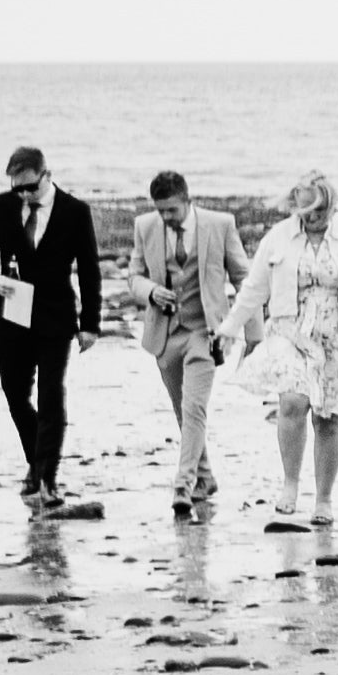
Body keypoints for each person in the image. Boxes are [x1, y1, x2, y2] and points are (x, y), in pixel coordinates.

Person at [224, 171, 338, 527]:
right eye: (303, 208)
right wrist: (229, 328)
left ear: (331, 204)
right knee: (292, 402)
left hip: (337, 336)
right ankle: (290, 485)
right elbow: (254, 289)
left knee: (328, 418)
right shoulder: (279, 238)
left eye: (317, 209)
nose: (310, 216)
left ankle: (324, 499)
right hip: (290, 331)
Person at [0, 146, 99, 511]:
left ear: (46, 175)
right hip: (12, 310)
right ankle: (37, 460)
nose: (23, 195)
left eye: (29, 187)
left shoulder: (75, 211)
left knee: (51, 395)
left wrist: (90, 324)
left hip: (56, 316)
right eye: (17, 189)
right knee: (15, 393)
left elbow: (89, 269)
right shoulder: (0, 206)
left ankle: (47, 478)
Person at [120, 168, 243, 524]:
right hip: (165, 333)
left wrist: (248, 331)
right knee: (182, 410)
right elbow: (133, 276)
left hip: (206, 331)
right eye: (160, 210)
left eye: (171, 210)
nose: (165, 217)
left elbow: (243, 277)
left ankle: (183, 485)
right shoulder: (145, 227)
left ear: (187, 200)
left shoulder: (220, 224)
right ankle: (205, 477)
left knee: (194, 407)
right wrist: (151, 291)